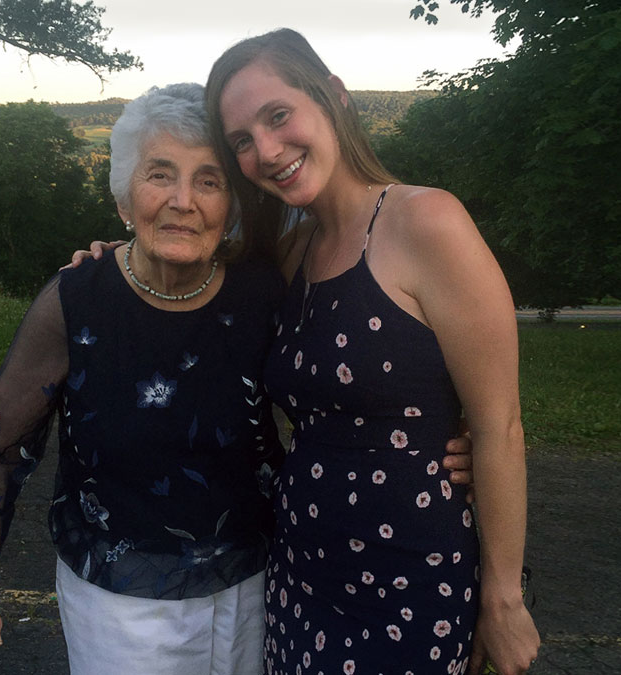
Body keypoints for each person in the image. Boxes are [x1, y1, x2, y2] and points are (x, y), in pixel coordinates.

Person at [0, 82, 475, 675]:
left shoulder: (264, 289)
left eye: (209, 180)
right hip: (120, 604)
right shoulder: (78, 300)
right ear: (122, 197)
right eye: (159, 175)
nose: (183, 201)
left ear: (231, 203)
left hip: (262, 586)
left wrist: (443, 440)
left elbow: (352, 376)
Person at [204, 29, 540, 675]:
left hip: (411, 580)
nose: (267, 150)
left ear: (333, 97)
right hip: (301, 571)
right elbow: (195, 280)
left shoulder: (427, 221)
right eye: (242, 140)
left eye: (278, 116)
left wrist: (502, 600)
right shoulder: (292, 251)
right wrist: (115, 263)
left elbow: (499, 425)